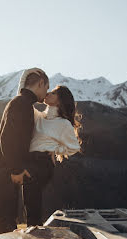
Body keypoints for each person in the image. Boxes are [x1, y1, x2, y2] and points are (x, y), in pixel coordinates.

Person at [0, 68, 49, 237]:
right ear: (40, 83)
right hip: (4, 172)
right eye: (46, 87)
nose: (46, 94)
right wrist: (16, 169)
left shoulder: (21, 103)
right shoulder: (21, 104)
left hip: (4, 170)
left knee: (3, 221)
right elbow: (8, 140)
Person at [23, 85, 82, 226]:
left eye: (53, 93)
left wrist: (55, 149)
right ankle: (35, 231)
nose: (48, 93)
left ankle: (34, 232)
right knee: (29, 200)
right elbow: (23, 100)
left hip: (43, 162)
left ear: (59, 101)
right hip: (30, 161)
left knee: (32, 199)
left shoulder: (63, 124)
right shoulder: (39, 117)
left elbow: (74, 147)